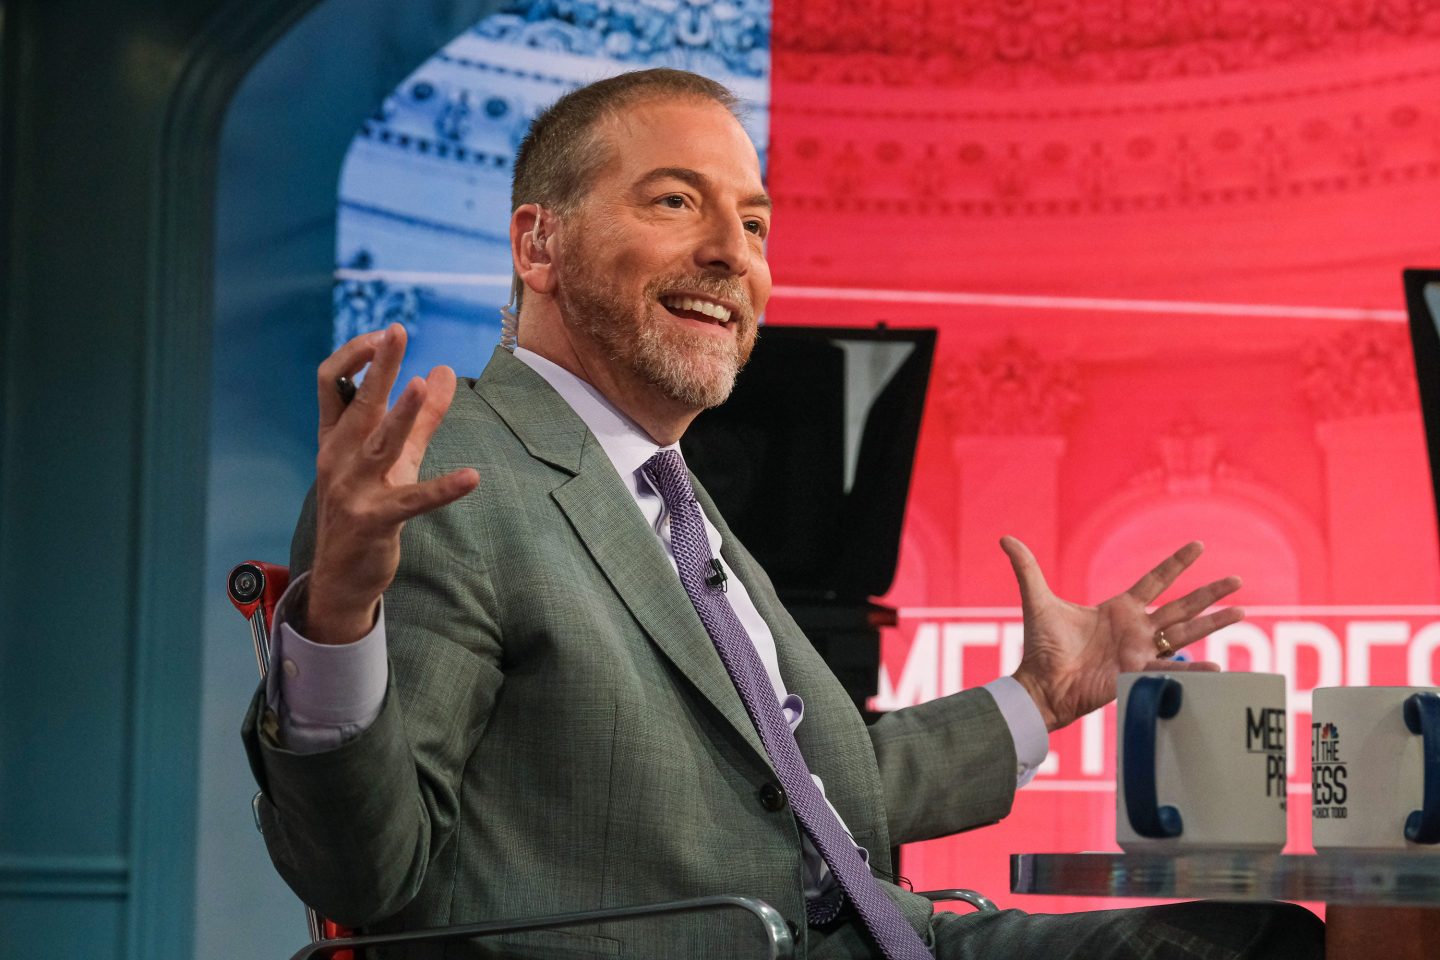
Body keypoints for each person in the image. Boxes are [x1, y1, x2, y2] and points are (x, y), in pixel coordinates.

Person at [243, 68, 1323, 959]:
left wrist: (1042, 695)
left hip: (892, 933)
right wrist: (337, 619)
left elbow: (805, 795)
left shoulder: (667, 492)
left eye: (754, 222)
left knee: (1261, 940)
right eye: (676, 202)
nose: (734, 253)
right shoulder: (454, 479)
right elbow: (363, 874)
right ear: (540, 247)